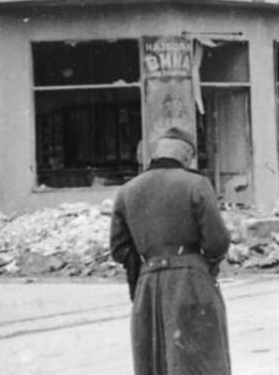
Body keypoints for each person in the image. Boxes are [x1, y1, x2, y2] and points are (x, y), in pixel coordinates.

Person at [110, 127, 232, 375]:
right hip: (191, 283)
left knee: (155, 363)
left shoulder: (127, 191)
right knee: (199, 360)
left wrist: (142, 271)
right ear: (186, 156)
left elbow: (118, 247)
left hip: (148, 286)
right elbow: (217, 241)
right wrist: (205, 265)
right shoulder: (196, 184)